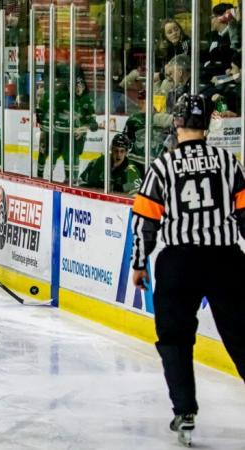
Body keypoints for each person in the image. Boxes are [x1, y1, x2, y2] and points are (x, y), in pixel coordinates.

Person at [131, 94, 245, 447]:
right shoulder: (229, 162)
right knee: (242, 334)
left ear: (177, 123)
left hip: (179, 262)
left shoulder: (163, 166)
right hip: (226, 259)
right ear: (209, 123)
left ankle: (185, 410)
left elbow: (145, 220)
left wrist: (138, 262)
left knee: (175, 337)